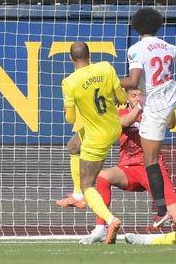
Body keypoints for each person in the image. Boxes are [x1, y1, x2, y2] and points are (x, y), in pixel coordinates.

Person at [57, 88, 176, 243]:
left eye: (141, 95)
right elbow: (126, 121)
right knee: (102, 177)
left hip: (154, 169)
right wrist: (140, 106)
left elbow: (171, 124)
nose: (137, 98)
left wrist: (165, 105)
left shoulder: (153, 113)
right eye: (134, 95)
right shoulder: (120, 114)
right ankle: (100, 229)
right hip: (129, 169)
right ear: (127, 98)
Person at [120, 7, 176, 231]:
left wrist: (110, 80)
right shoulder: (167, 46)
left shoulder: (136, 49)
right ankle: (165, 209)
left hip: (155, 106)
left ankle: (163, 211)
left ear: (136, 26)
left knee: (150, 161)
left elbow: (134, 81)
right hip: (171, 98)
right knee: (152, 157)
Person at [61, 41, 127, 244]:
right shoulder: (106, 67)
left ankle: (110, 220)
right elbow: (122, 97)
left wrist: (70, 110)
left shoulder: (69, 82)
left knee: (89, 183)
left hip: (97, 136)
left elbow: (71, 119)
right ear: (90, 55)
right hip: (112, 125)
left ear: (71, 59)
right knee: (73, 146)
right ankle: (77, 195)